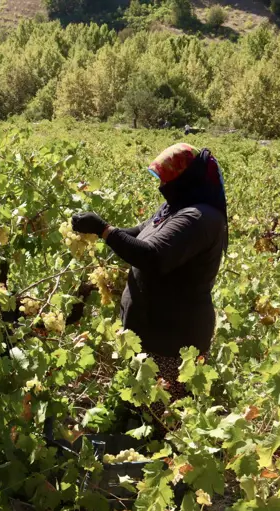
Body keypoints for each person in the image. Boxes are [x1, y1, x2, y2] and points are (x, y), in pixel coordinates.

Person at [71, 143, 228, 434]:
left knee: (164, 425)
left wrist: (104, 229)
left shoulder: (198, 218)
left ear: (187, 178)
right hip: (149, 334)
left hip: (171, 341)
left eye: (167, 179)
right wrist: (100, 231)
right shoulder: (175, 207)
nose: (162, 186)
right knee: (141, 413)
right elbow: (138, 236)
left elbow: (152, 256)